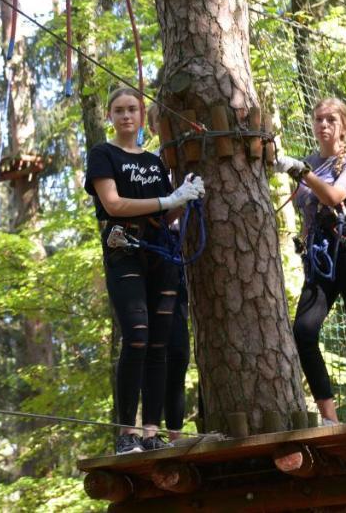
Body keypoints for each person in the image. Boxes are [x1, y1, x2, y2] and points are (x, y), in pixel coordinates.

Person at [85, 88, 204, 454]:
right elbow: (114, 204)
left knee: (159, 344)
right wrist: (168, 199)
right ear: (110, 116)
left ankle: (151, 432)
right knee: (136, 335)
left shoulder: (154, 163)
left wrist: (184, 198)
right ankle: (127, 433)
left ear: (141, 115)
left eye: (132, 109)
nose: (126, 116)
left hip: (162, 255)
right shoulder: (103, 155)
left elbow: (165, 214)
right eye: (118, 110)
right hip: (125, 252)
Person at [273, 97, 346, 424]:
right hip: (319, 254)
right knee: (303, 331)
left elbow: (334, 197)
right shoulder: (306, 163)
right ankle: (329, 418)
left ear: (343, 126)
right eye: (319, 119)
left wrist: (300, 171)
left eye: (331, 120)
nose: (323, 125)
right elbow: (306, 213)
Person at [145, 102, 191, 443]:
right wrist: (180, 201)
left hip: (188, 263)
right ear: (153, 127)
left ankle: (176, 428)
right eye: (161, 122)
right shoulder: (150, 166)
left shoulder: (190, 156)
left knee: (183, 351)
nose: (167, 126)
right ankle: (161, 432)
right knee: (168, 348)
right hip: (162, 264)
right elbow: (155, 220)